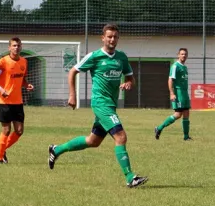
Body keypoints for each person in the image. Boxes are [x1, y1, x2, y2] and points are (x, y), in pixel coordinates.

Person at [48, 23, 148, 188]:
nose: (112, 39)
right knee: (121, 137)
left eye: (115, 36)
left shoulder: (121, 57)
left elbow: (131, 78)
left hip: (111, 104)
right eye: (109, 36)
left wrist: (128, 83)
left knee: (93, 141)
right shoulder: (94, 56)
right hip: (101, 104)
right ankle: (130, 177)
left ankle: (56, 150)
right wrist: (73, 95)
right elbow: (73, 71)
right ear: (103, 38)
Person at [0, 37, 34, 164]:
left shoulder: (24, 62)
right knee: (6, 130)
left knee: (19, 131)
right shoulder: (2, 62)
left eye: (18, 45)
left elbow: (22, 80)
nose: (16, 47)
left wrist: (27, 85)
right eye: (14, 45)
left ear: (21, 47)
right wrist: (0, 89)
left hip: (18, 101)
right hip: (4, 100)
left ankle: (2, 150)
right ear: (9, 47)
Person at [155, 48, 192, 141]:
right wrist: (172, 93)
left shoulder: (185, 67)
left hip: (184, 93)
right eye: (182, 54)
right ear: (178, 55)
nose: (184, 56)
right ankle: (159, 128)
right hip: (178, 93)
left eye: (185, 54)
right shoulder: (175, 66)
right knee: (178, 114)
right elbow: (170, 79)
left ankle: (186, 137)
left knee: (186, 113)